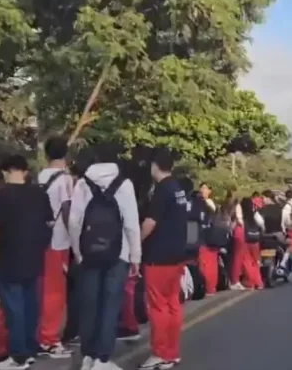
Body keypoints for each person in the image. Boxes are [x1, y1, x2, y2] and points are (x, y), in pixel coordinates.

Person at [69, 147, 142, 370]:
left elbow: (74, 221)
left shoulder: (82, 184)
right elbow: (131, 224)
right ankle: (102, 359)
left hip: (89, 253)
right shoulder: (125, 185)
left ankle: (87, 357)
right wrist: (135, 256)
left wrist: (78, 252)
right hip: (118, 254)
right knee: (110, 306)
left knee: (89, 304)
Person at [0, 154, 54, 370]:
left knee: (14, 309)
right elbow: (50, 223)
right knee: (31, 305)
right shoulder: (40, 194)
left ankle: (18, 356)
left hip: (8, 258)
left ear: (5, 172)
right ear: (25, 172)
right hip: (34, 257)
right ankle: (30, 349)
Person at [138, 148, 187, 370]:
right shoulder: (178, 189)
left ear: (154, 166)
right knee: (173, 304)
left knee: (158, 306)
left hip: (158, 256)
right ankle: (172, 352)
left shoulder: (162, 190)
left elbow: (150, 223)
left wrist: (135, 242)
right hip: (176, 255)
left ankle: (160, 354)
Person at [36, 137, 75, 358]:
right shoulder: (65, 180)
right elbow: (67, 210)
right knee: (55, 293)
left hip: (40, 238)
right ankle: (49, 339)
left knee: (42, 291)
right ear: (65, 154)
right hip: (58, 240)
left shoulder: (40, 176)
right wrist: (75, 238)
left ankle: (41, 335)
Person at [261, 191, 292, 286]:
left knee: (290, 251)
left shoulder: (286, 208)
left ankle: (282, 267)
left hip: (286, 232)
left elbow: (282, 222)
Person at [232, 197, 264, 290]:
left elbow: (238, 221)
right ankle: (257, 281)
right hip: (254, 237)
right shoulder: (254, 213)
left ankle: (243, 281)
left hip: (243, 235)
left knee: (243, 260)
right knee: (255, 261)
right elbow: (261, 223)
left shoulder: (240, 212)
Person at [196, 183, 221, 296]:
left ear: (210, 191)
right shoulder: (201, 203)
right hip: (207, 237)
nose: (203, 190)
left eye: (205, 188)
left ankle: (209, 287)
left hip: (208, 237)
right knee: (208, 263)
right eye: (201, 188)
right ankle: (210, 287)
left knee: (207, 264)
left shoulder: (208, 204)